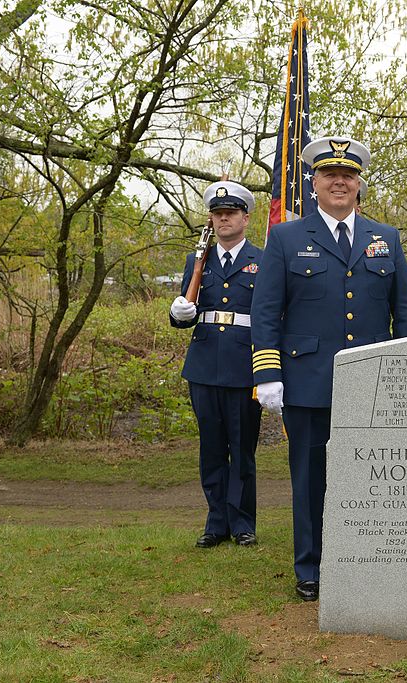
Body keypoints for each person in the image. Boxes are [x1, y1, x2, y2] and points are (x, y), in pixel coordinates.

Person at [250, 135, 407, 601]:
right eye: (330, 176)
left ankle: (368, 559)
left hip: (373, 382)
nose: (339, 183)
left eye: (347, 176)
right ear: (315, 183)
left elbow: (403, 312)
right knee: (310, 479)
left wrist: (404, 375)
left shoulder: (385, 237)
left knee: (374, 477)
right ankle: (311, 568)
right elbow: (266, 311)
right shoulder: (286, 237)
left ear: (359, 184)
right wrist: (267, 373)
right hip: (307, 381)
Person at [170, 180, 263, 549]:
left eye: (231, 213)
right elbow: (185, 315)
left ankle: (242, 522)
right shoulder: (197, 261)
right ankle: (215, 521)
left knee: (241, 446)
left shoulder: (264, 259)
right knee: (211, 445)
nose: (224, 219)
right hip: (205, 364)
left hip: (244, 364)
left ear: (245, 218)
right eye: (218, 214)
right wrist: (179, 314)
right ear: (211, 219)